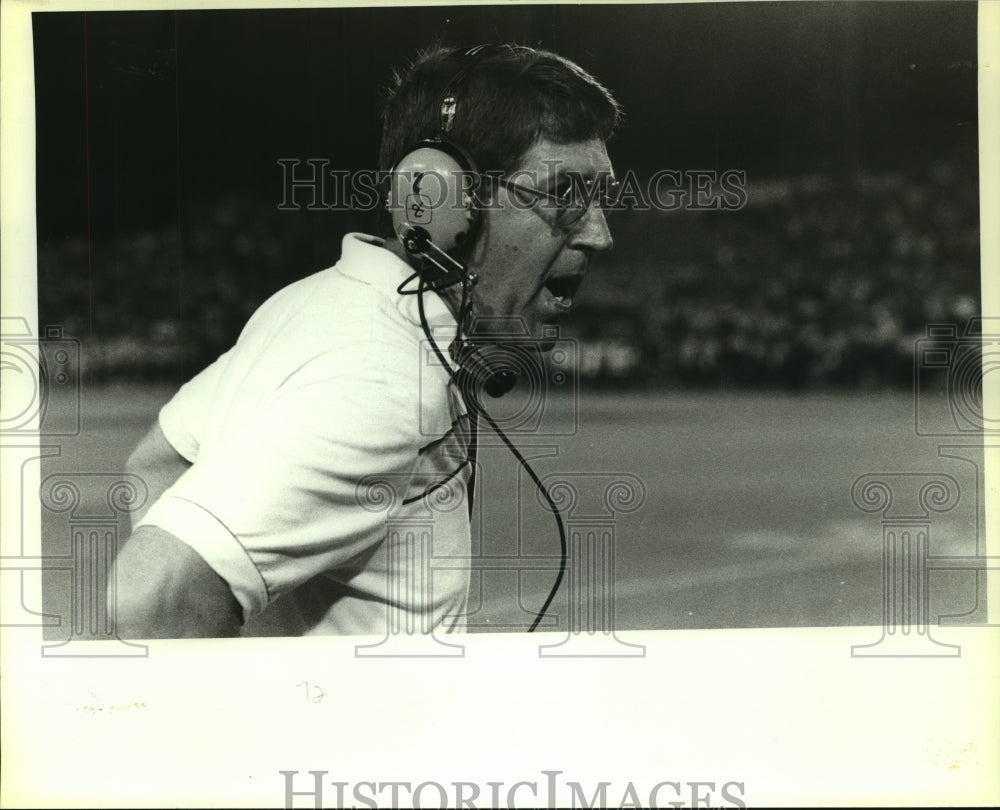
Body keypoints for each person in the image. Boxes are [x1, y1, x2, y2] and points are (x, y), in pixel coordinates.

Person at [109, 43, 621, 638]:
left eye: (601, 197)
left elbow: (159, 462)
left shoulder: (321, 304)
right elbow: (152, 598)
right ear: (439, 199)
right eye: (564, 194)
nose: (600, 234)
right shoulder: (381, 377)